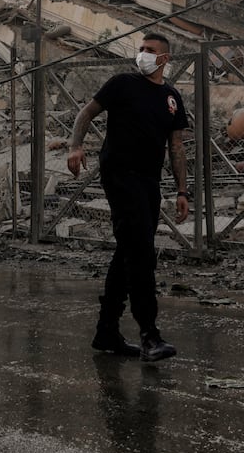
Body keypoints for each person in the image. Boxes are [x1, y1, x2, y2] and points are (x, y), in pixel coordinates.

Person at [67, 32, 190, 362]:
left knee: (129, 251)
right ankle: (150, 334)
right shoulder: (122, 83)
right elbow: (85, 114)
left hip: (150, 182)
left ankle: (106, 331)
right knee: (142, 255)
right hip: (120, 177)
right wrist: (76, 147)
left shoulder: (171, 99)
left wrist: (181, 191)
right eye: (141, 49)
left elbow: (176, 148)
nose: (143, 54)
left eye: (150, 51)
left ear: (164, 59)